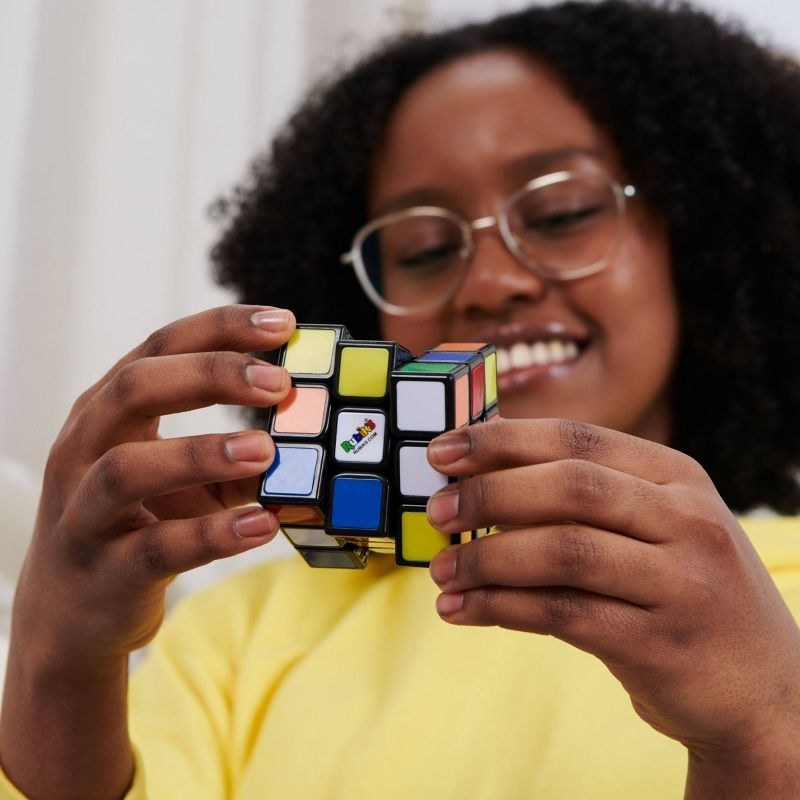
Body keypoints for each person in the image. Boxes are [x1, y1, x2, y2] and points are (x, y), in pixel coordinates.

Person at [2, 0, 800, 797]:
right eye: (422, 250)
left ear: (701, 236)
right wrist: (57, 665)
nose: (490, 282)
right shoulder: (243, 630)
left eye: (562, 213)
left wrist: (764, 731)